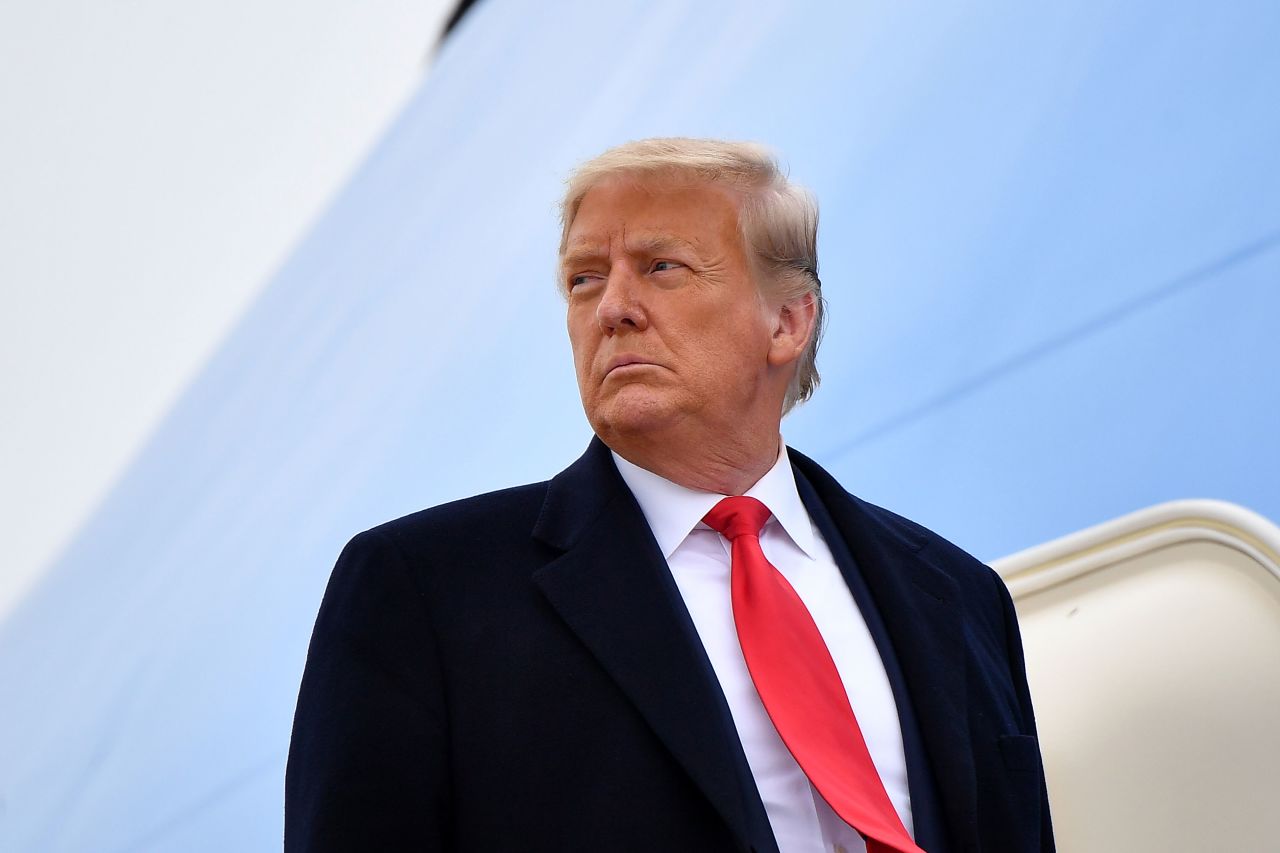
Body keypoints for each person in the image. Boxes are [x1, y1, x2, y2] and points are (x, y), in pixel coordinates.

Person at [285, 138, 1053, 852]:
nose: (611, 307)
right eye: (584, 278)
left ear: (787, 321)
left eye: (661, 267)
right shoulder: (425, 590)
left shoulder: (959, 594)